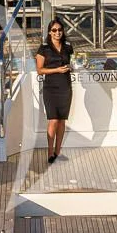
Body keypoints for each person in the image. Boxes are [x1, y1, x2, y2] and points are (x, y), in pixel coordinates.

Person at [35, 20, 74, 164]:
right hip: (51, 88)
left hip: (65, 87)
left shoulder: (68, 46)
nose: (57, 33)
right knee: (53, 120)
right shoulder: (43, 48)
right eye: (54, 30)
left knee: (62, 120)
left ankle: (58, 151)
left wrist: (73, 66)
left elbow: (73, 62)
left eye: (60, 30)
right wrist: (57, 70)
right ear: (49, 32)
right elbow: (39, 70)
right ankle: (50, 152)